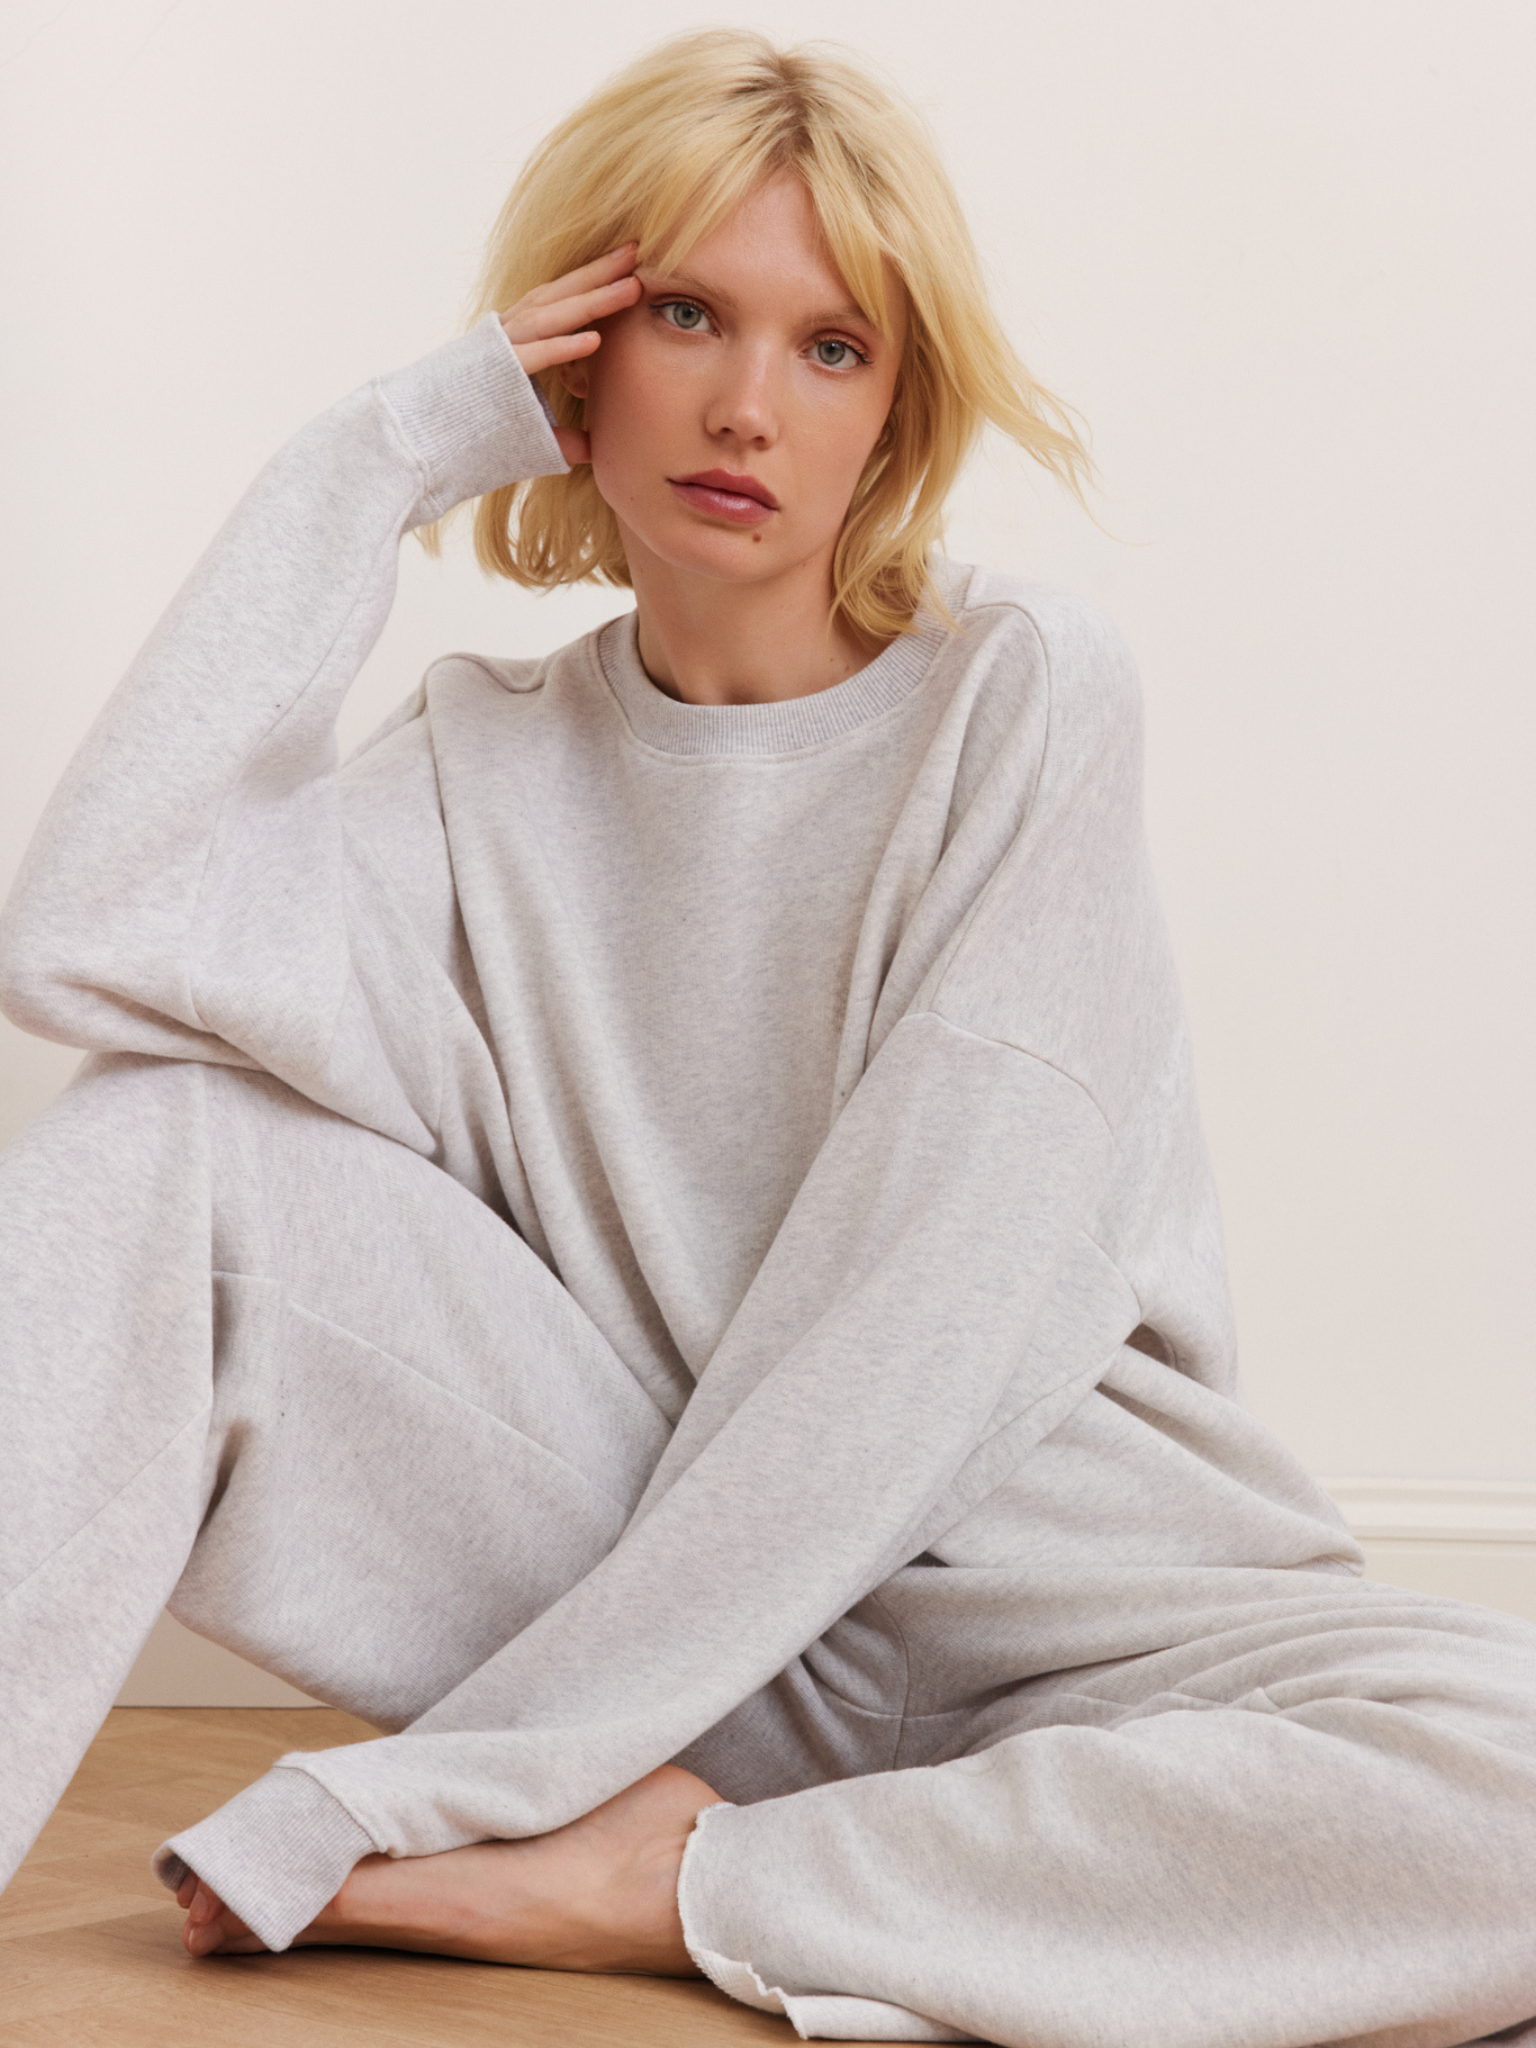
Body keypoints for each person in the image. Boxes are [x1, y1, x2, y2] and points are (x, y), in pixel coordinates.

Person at [2, 27, 1534, 2048]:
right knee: (148, 1139)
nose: (747, 405)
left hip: (1076, 1609)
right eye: (686, 315)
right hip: (658, 1586)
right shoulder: (470, 774)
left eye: (832, 348)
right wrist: (382, 452)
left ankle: (683, 1882)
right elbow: (94, 933)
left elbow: (934, 1299)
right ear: (568, 355)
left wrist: (505, 1768)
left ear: (897, 408)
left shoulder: (1020, 695)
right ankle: (892, 1878)